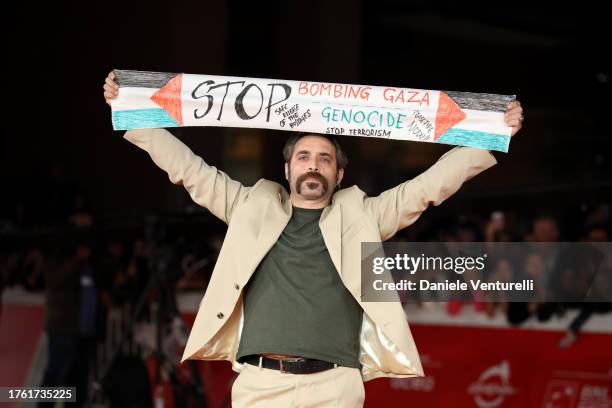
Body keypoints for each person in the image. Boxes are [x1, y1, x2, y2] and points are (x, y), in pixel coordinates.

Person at [104, 71, 523, 407]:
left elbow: (429, 186)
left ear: (338, 175)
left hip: (335, 388)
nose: (313, 165)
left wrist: (491, 134)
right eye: (303, 157)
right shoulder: (249, 205)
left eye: (324, 159)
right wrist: (132, 111)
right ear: (287, 169)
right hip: (260, 386)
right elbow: (189, 170)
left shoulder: (364, 215)